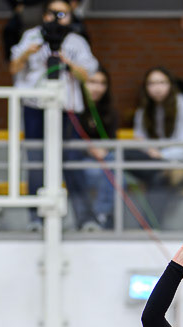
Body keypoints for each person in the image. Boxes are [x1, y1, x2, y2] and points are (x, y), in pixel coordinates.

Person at [9, 0, 99, 228]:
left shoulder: (76, 41)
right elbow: (13, 68)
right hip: (34, 105)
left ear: (71, 16)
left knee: (71, 161)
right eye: (53, 13)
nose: (58, 18)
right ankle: (35, 219)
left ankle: (85, 218)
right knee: (36, 161)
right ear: (44, 15)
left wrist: (67, 62)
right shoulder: (31, 36)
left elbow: (87, 75)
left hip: (67, 107)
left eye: (63, 13)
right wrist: (27, 53)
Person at [130, 67, 183, 229]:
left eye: (162, 82)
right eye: (152, 83)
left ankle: (148, 227)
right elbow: (138, 138)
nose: (157, 88)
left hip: (182, 161)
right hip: (153, 161)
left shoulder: (181, 103)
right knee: (126, 154)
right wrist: (150, 152)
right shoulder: (144, 108)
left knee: (159, 178)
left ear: (170, 84)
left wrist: (161, 155)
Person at [67, 68, 118, 232]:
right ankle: (101, 215)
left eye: (102, 83)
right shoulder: (73, 111)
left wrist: (104, 150)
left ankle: (101, 215)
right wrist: (89, 149)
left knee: (115, 170)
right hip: (81, 162)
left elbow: (112, 142)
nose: (97, 88)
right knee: (112, 175)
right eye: (92, 82)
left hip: (105, 160)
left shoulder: (110, 112)